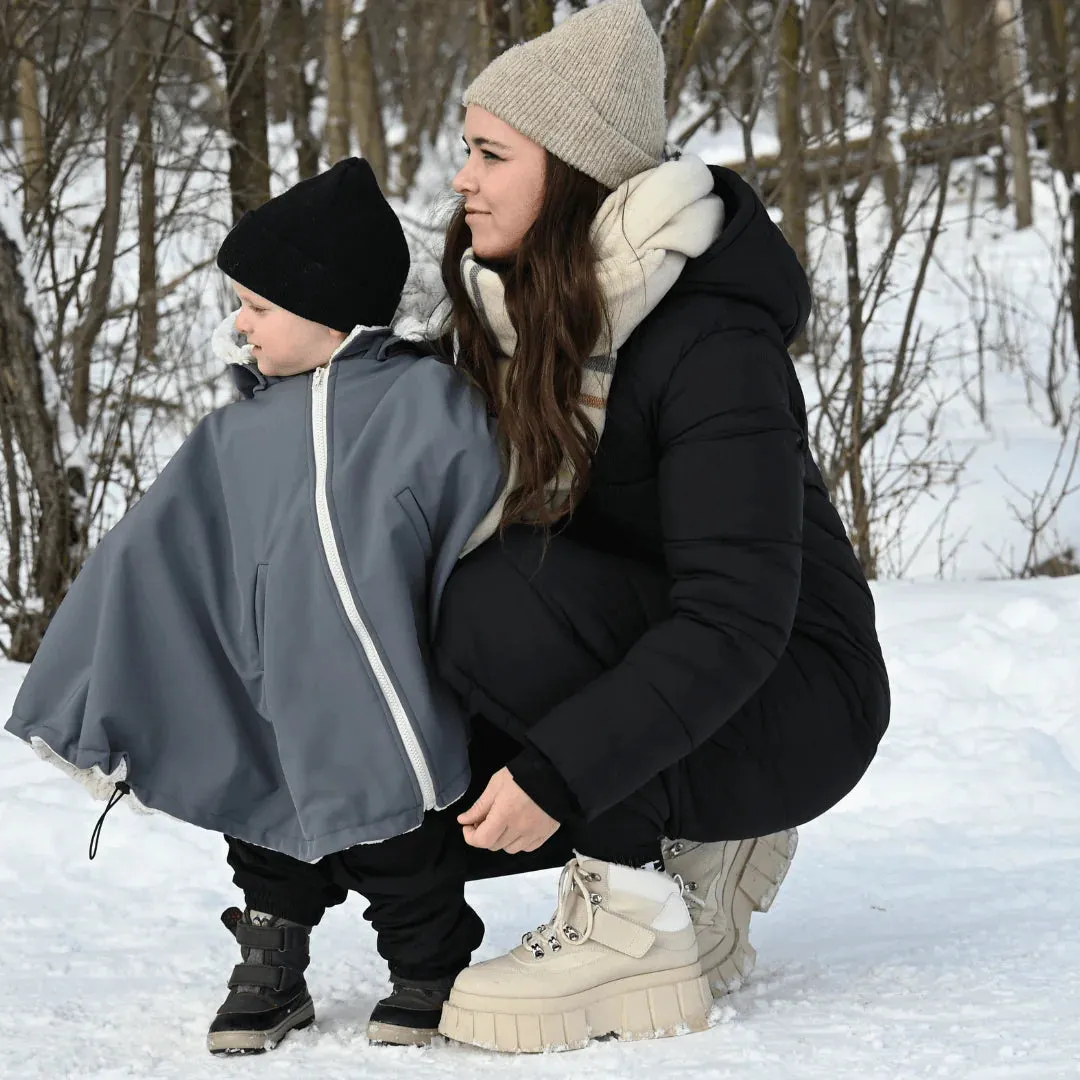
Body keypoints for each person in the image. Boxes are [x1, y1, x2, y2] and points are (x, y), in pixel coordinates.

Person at [422, 0, 891, 1052]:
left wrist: (555, 777)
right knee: (450, 601)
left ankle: (628, 920)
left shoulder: (710, 340)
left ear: (572, 175)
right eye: (467, 151)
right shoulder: (519, 314)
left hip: (793, 691)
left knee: (497, 598)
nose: (464, 179)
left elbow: (734, 616)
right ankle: (696, 853)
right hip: (669, 657)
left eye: (492, 155)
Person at [3, 159, 505, 1054]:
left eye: (259, 306)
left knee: (405, 847)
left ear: (332, 308)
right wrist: (81, 699)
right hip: (267, 689)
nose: (240, 324)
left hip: (389, 687)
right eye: (241, 304)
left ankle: (430, 968)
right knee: (267, 837)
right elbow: (145, 560)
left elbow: (488, 524)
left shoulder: (426, 403)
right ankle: (272, 962)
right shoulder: (234, 435)